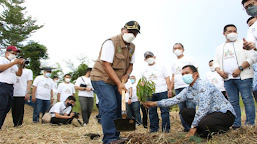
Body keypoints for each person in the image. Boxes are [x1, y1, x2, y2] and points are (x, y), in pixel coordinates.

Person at [143, 65, 236, 138]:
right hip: (210, 115)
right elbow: (174, 100)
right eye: (182, 74)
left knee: (203, 123)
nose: (184, 76)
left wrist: (193, 127)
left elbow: (203, 108)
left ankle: (223, 130)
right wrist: (154, 103)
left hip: (224, 114)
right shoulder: (188, 90)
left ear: (195, 74)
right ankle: (204, 132)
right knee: (185, 112)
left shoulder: (203, 85)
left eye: (187, 73)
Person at [91, 20, 140, 144]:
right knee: (110, 105)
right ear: (123, 30)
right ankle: (109, 139)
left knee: (119, 107)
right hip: (101, 78)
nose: (132, 34)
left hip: (116, 80)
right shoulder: (111, 43)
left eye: (135, 33)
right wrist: (119, 83)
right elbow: (106, 65)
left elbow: (130, 65)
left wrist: (127, 75)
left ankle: (116, 136)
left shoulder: (132, 47)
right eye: (130, 31)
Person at [213, 24, 257, 129]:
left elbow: (252, 58)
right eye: (230, 31)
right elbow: (216, 63)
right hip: (228, 79)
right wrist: (220, 72)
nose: (233, 33)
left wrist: (240, 68)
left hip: (244, 77)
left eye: (235, 31)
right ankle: (236, 124)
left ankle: (250, 124)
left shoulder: (244, 44)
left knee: (247, 99)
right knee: (233, 102)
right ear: (224, 34)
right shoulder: (219, 48)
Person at [141, 51, 171, 133]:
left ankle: (165, 129)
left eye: (150, 56)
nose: (149, 58)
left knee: (164, 111)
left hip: (162, 91)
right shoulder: (144, 70)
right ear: (145, 59)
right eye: (147, 57)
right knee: (151, 112)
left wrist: (169, 89)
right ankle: (154, 129)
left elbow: (167, 78)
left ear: (154, 57)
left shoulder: (161, 67)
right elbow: (142, 83)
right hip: (150, 93)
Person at [171, 43, 197, 132]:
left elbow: (196, 72)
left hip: (189, 86)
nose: (177, 50)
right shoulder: (173, 62)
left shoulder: (189, 59)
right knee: (181, 109)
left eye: (179, 48)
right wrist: (170, 89)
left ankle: (194, 127)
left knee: (190, 107)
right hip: (178, 88)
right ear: (173, 51)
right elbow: (173, 76)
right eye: (175, 48)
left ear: (183, 49)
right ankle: (186, 128)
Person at [0, 46, 24, 129]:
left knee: (6, 108)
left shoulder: (13, 64)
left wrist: (20, 66)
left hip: (10, 87)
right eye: (12, 53)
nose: (14, 55)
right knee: (1, 106)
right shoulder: (2, 59)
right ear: (7, 53)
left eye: (15, 54)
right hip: (2, 85)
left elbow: (18, 74)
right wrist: (13, 63)